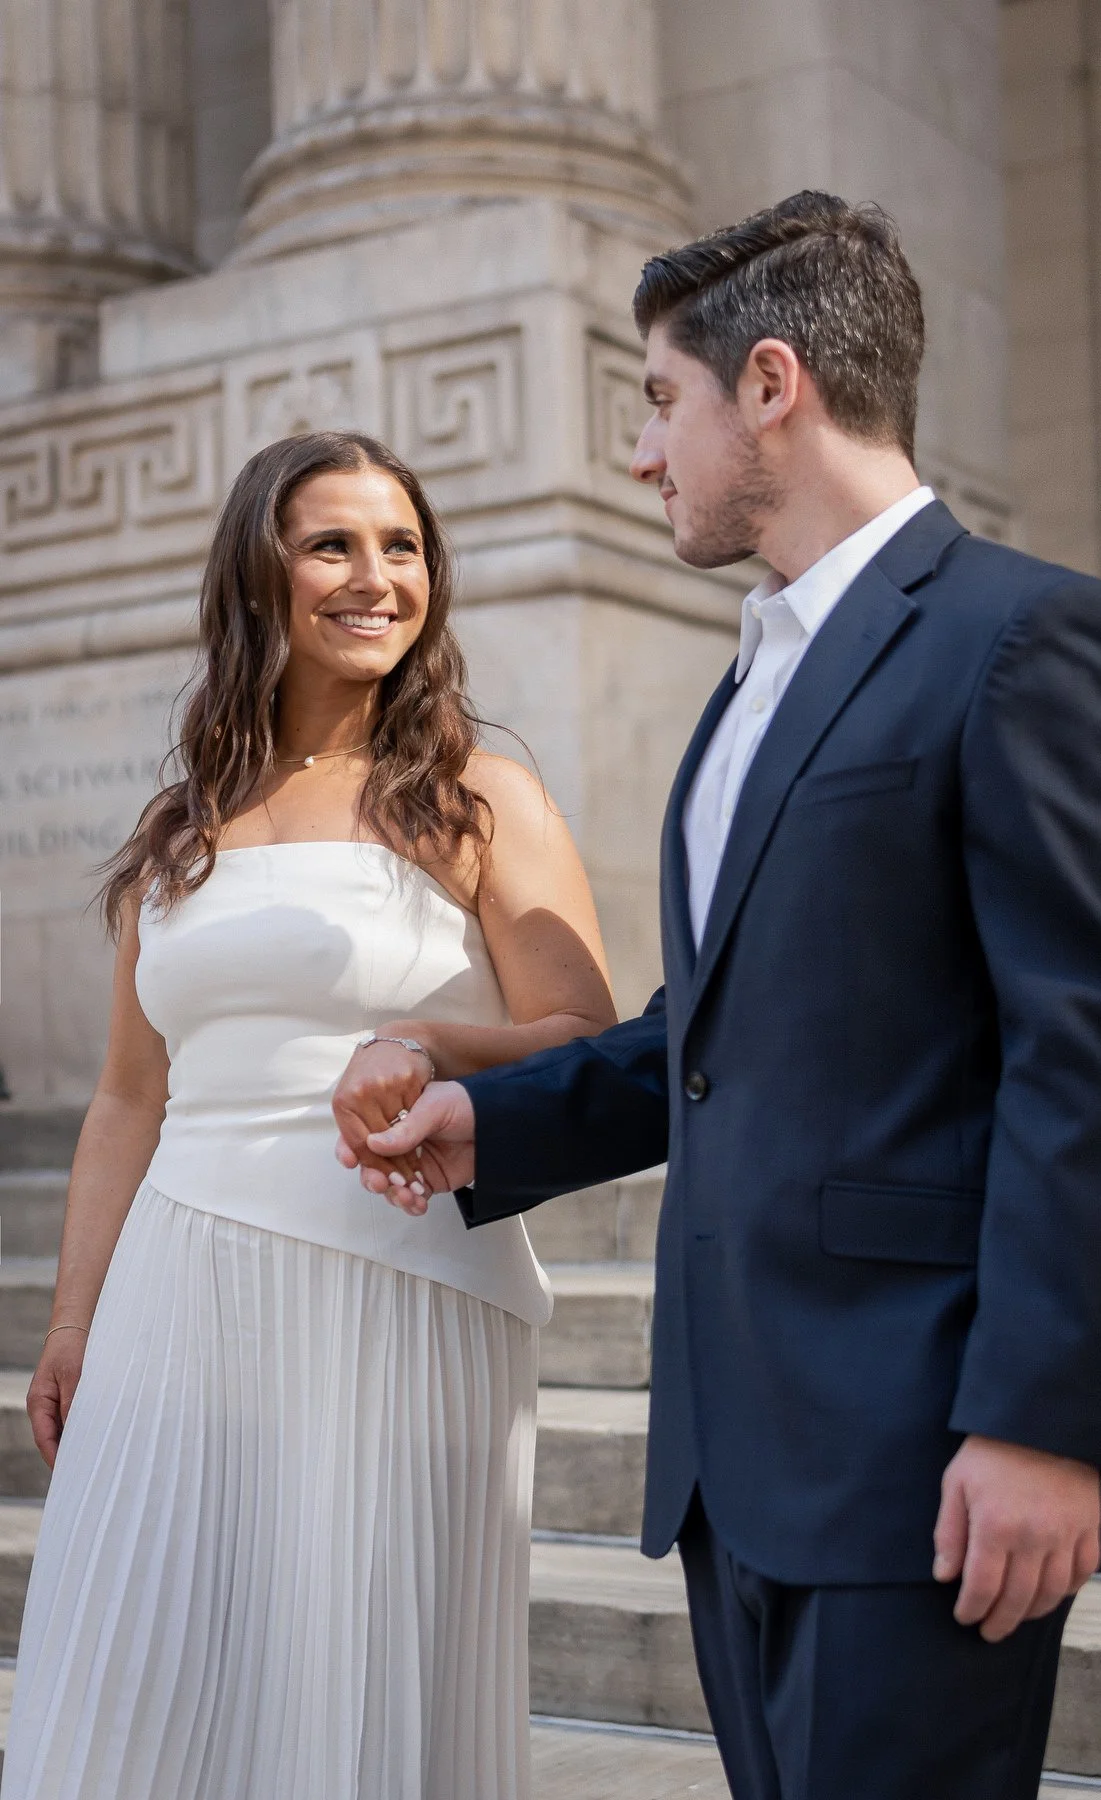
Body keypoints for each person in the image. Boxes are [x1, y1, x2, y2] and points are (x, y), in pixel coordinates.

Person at [339, 195, 1101, 1800]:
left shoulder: (1035, 642)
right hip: (742, 1459)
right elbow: (715, 1033)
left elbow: (1091, 1060)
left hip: (929, 1449)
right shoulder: (753, 677)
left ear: (774, 385)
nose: (645, 454)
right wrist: (492, 1121)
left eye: (660, 402)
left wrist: (1041, 1421)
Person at [1, 430, 616, 1800]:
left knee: (361, 1694)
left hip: (403, 1278)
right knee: (135, 1675)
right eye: (334, 544)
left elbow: (587, 1043)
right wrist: (68, 1321)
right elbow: (125, 1095)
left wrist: (426, 1040)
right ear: (257, 575)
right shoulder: (182, 824)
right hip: (178, 1283)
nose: (376, 577)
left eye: (403, 547)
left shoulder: (478, 795)